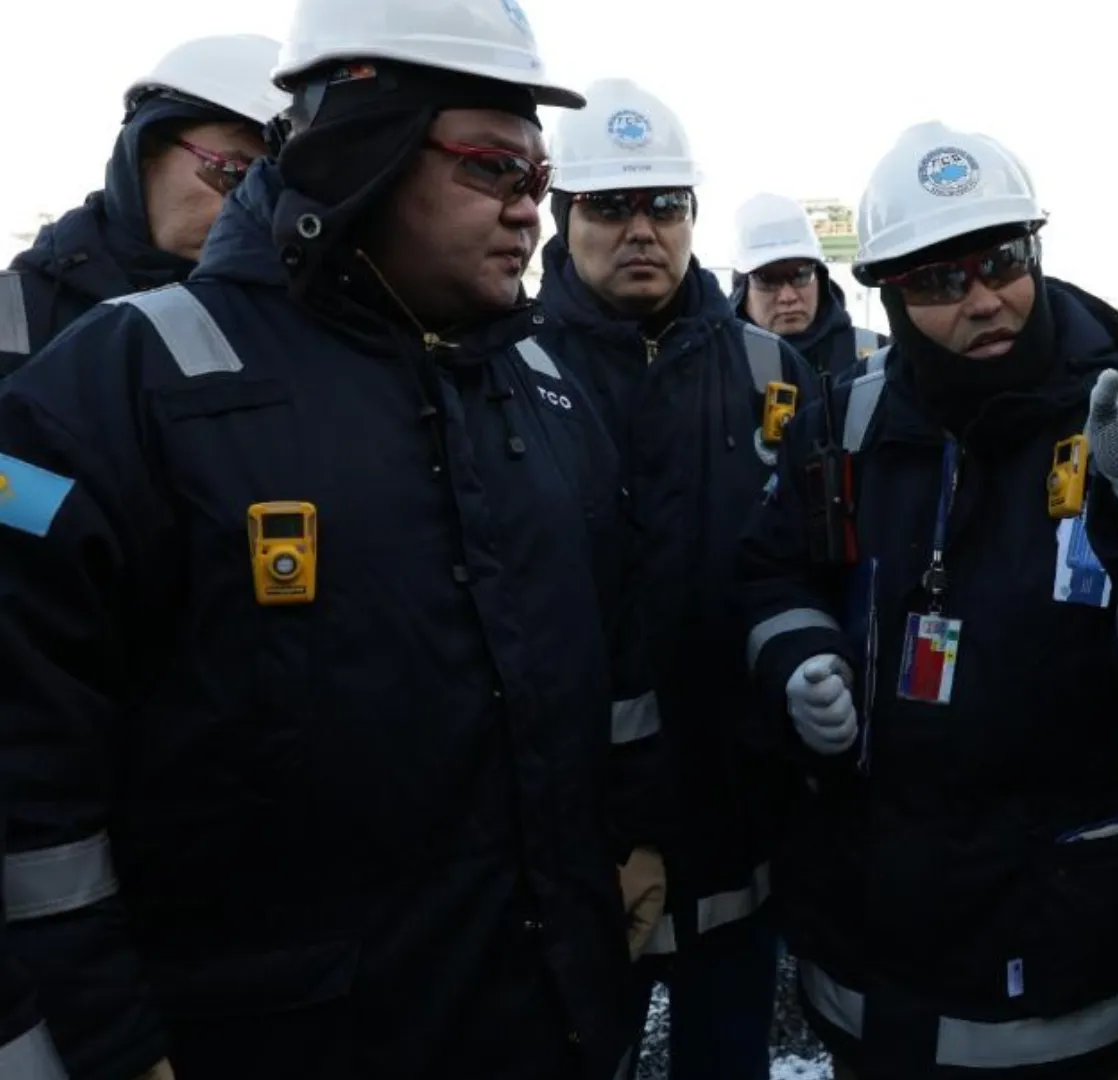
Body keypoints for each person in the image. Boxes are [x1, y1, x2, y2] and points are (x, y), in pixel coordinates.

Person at [0, 0, 670, 1076]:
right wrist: (106, 1038)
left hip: (544, 1021)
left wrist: (637, 835)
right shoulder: (126, 384)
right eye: (495, 170)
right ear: (366, 147)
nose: (530, 215)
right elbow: (27, 766)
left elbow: (613, 631)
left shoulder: (542, 387)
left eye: (539, 182)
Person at [737, 120, 1118, 1080]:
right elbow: (773, 571)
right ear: (888, 295)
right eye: (941, 282)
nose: (984, 299)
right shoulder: (848, 418)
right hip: (871, 949)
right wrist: (796, 656)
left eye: (1002, 262)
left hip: (1058, 950)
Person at [535, 77, 811, 1080]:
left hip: (737, 822)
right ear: (564, 218)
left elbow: (802, 568)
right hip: (574, 850)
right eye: (610, 205)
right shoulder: (501, 368)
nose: (640, 228)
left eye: (664, 204)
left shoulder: (771, 370)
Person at [1, 34, 288, 376]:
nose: (250, 208)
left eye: (274, 192)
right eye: (234, 175)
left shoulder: (287, 332)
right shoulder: (11, 310)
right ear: (144, 153)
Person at [729, 192, 886, 382]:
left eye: (801, 275)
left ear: (820, 278)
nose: (787, 297)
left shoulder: (881, 360)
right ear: (742, 290)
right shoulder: (716, 368)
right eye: (767, 279)